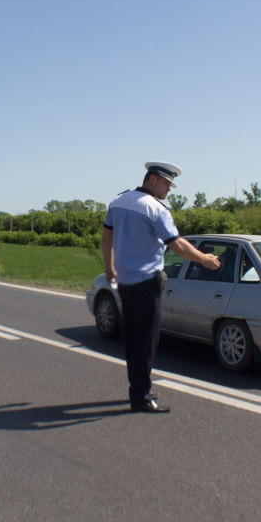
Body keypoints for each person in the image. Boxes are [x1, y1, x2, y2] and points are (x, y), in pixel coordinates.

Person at [102, 162, 221, 413]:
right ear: (153, 179)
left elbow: (107, 236)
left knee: (133, 339)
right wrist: (204, 259)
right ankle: (141, 397)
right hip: (146, 283)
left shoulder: (118, 201)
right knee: (147, 341)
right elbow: (177, 244)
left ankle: (137, 388)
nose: (169, 189)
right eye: (167, 183)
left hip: (124, 281)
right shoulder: (156, 209)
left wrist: (109, 267)